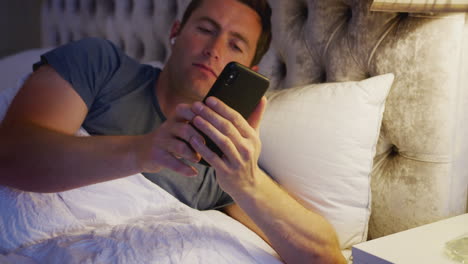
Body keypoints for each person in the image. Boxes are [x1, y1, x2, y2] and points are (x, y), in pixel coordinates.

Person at [0, 0, 346, 263]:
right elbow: (11, 157)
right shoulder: (100, 64)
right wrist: (143, 151)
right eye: (206, 29)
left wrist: (247, 182)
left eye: (235, 45)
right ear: (175, 32)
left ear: (249, 69)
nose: (214, 49)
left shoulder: (222, 162)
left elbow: (325, 256)